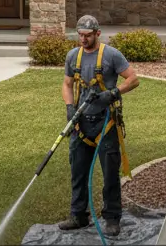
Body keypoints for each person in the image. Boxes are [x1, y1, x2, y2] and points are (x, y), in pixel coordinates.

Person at [58, 15, 140, 237]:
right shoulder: (73, 56)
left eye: (88, 35)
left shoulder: (111, 55)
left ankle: (112, 217)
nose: (83, 40)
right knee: (78, 172)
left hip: (106, 122)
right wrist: (69, 108)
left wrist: (112, 93)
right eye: (80, 35)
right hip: (81, 124)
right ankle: (78, 215)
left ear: (97, 34)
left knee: (110, 173)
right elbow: (67, 84)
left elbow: (133, 79)